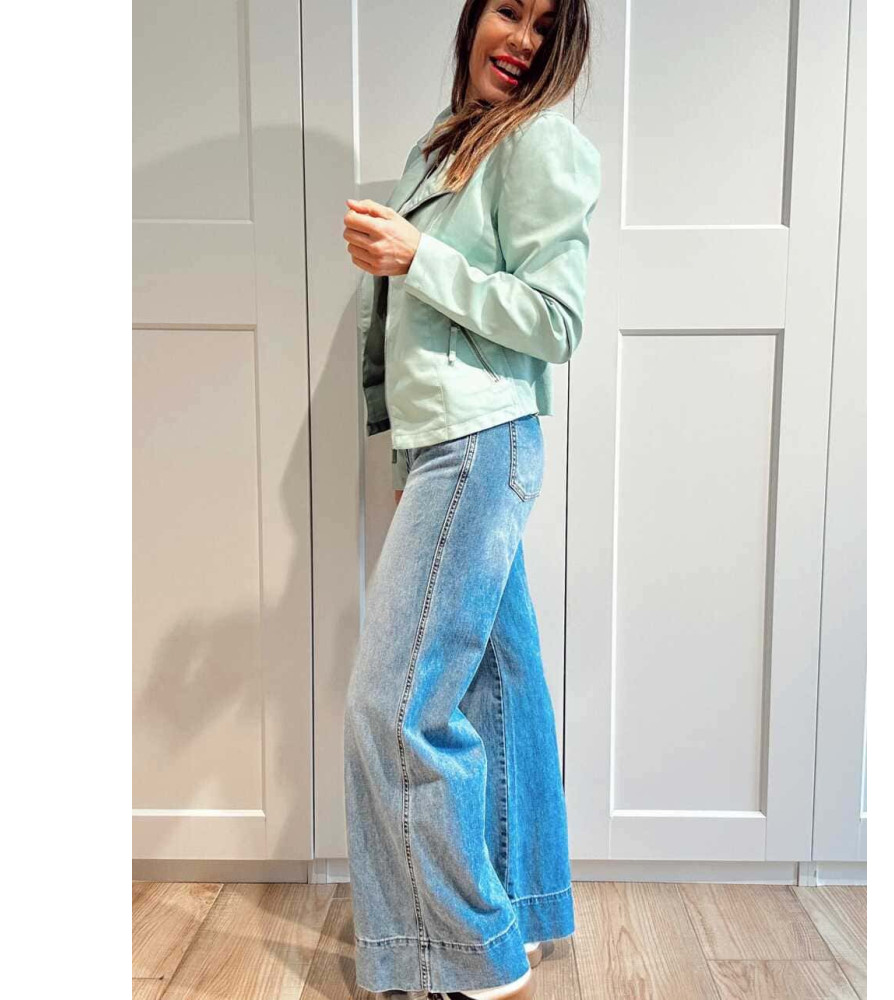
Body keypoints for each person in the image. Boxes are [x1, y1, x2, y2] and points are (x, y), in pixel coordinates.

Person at [342, 2, 600, 997]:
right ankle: (519, 910)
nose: (522, 40)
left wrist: (421, 256)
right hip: (445, 444)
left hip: (478, 440)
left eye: (545, 25)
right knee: (497, 682)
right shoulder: (448, 143)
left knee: (395, 704)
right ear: (473, 14)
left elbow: (556, 319)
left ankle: (465, 949)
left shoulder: (539, 143)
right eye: (509, 9)